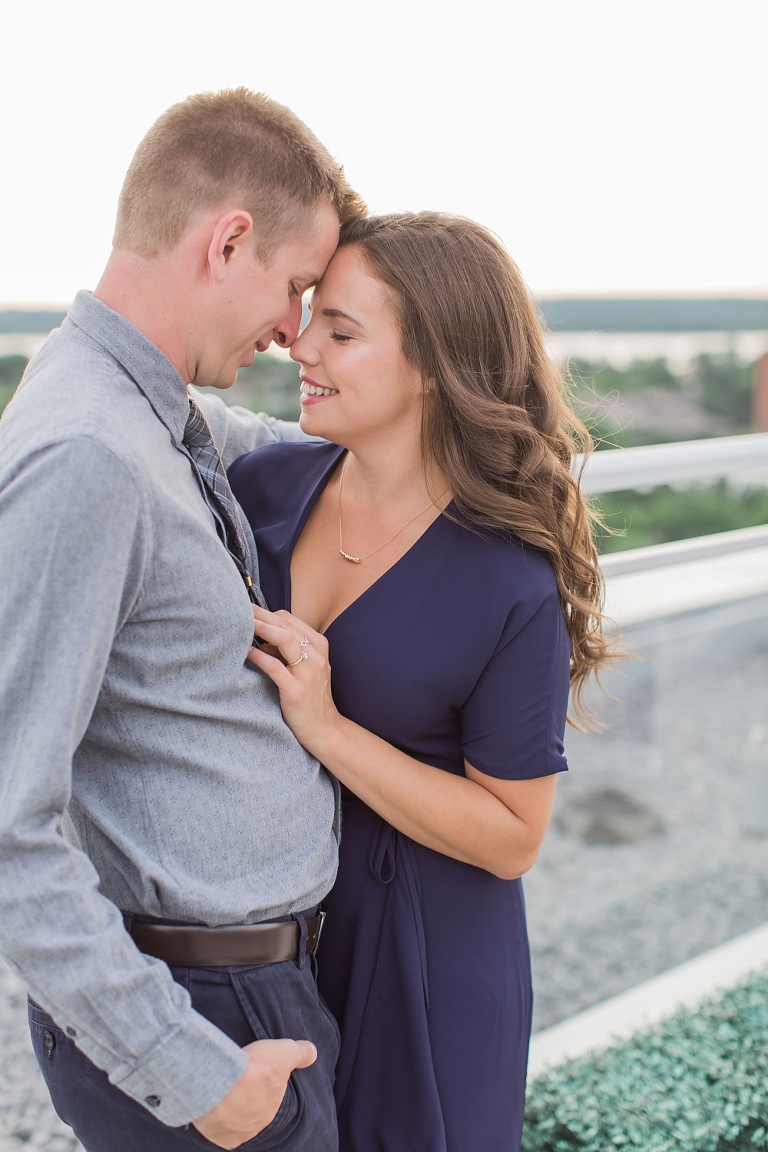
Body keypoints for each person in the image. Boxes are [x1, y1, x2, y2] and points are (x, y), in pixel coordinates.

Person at [0, 88, 366, 1152]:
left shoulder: (152, 409)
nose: (293, 330)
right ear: (229, 239)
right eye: (296, 287)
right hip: (204, 1019)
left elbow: (271, 442)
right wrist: (192, 1073)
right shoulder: (88, 456)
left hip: (245, 991)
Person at [228, 212, 612, 1152]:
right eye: (310, 316)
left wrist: (329, 728)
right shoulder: (264, 488)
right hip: (265, 943)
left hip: (430, 964)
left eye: (343, 333)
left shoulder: (509, 579)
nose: (301, 346)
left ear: (436, 363)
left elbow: (513, 838)